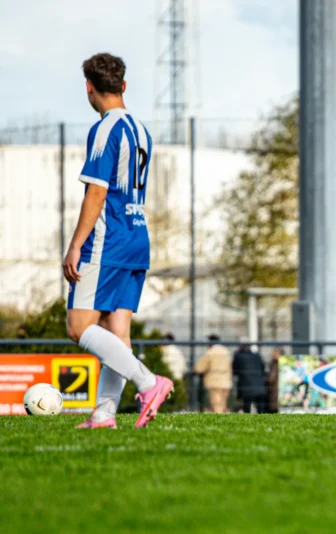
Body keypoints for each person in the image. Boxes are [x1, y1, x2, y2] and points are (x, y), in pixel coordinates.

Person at [65, 53, 172, 430]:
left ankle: (149, 382)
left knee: (78, 327)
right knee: (117, 332)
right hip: (136, 236)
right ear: (123, 85)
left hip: (107, 241)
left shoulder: (104, 129)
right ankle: (104, 414)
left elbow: (97, 192)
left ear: (89, 87)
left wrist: (75, 245)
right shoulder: (141, 130)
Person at [194, 335, 233, 413]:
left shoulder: (210, 352)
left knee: (216, 404)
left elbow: (200, 368)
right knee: (223, 404)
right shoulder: (226, 352)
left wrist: (195, 369)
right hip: (226, 381)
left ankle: (218, 418)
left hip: (214, 381)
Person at [232, 341, 267, 413]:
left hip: (246, 387)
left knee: (247, 408)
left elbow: (234, 370)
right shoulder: (257, 355)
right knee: (260, 410)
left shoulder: (238, 356)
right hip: (259, 386)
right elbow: (263, 369)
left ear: (241, 347)